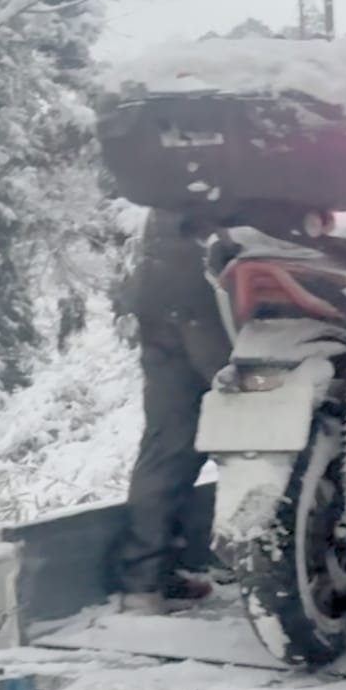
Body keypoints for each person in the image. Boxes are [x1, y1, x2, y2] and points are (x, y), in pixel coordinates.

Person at [112, 207, 231, 615]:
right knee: (266, 422)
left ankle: (145, 581)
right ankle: (273, 573)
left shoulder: (172, 169)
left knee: (170, 440)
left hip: (160, 279)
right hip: (217, 279)